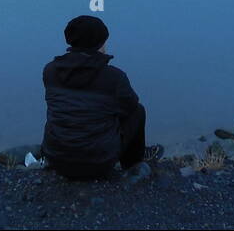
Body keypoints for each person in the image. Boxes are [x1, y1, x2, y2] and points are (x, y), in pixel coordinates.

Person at [41, 15, 161, 179]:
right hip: (97, 163)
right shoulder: (114, 78)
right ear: (99, 44)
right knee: (138, 111)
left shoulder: (50, 71)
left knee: (63, 109)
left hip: (56, 159)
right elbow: (129, 107)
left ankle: (59, 150)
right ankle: (132, 165)